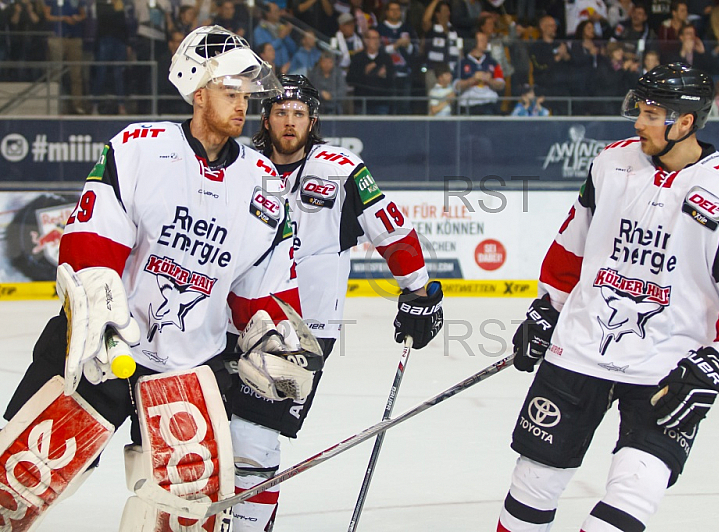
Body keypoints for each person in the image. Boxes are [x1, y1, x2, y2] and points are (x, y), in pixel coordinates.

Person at [0, 25, 324, 532]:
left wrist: (276, 339)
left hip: (189, 371)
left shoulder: (263, 184)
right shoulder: (140, 148)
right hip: (99, 353)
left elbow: (263, 293)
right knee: (17, 484)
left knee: (183, 516)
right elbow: (88, 248)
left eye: (246, 95)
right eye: (229, 92)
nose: (243, 106)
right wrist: (97, 313)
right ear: (199, 93)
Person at [497, 62, 719, 532]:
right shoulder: (611, 163)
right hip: (583, 348)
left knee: (637, 485)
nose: (638, 123)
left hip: (668, 364)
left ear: (685, 122)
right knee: (533, 481)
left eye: (651, 114)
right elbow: (573, 243)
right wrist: (548, 309)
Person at [248, 74, 444, 531]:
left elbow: (391, 230)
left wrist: (417, 291)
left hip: (304, 331)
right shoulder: (242, 164)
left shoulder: (342, 169)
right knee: (216, 429)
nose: (289, 121)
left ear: (312, 120)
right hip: (234, 320)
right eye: (280, 112)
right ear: (266, 117)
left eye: (299, 113)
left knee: (256, 434)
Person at [346, 27, 396, 114]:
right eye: (373, 38)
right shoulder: (358, 58)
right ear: (366, 40)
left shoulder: (385, 58)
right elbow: (350, 79)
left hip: (381, 103)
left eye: (377, 38)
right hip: (362, 103)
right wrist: (364, 72)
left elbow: (392, 80)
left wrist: (385, 75)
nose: (376, 41)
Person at [455, 31, 505, 115]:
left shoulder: (492, 62)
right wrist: (473, 79)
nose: (485, 43)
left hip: (489, 103)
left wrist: (490, 80)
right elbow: (456, 86)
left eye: (486, 40)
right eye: (482, 40)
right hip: (469, 104)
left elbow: (501, 84)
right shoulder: (462, 63)